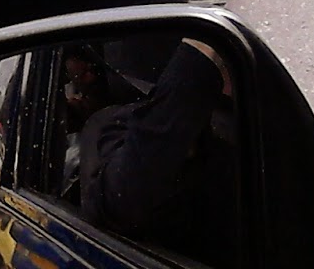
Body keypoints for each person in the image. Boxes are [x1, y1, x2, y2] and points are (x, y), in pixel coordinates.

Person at [78, 39, 237, 267]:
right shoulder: (111, 125)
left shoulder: (258, 117)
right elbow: (123, 201)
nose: (86, 76)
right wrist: (199, 59)